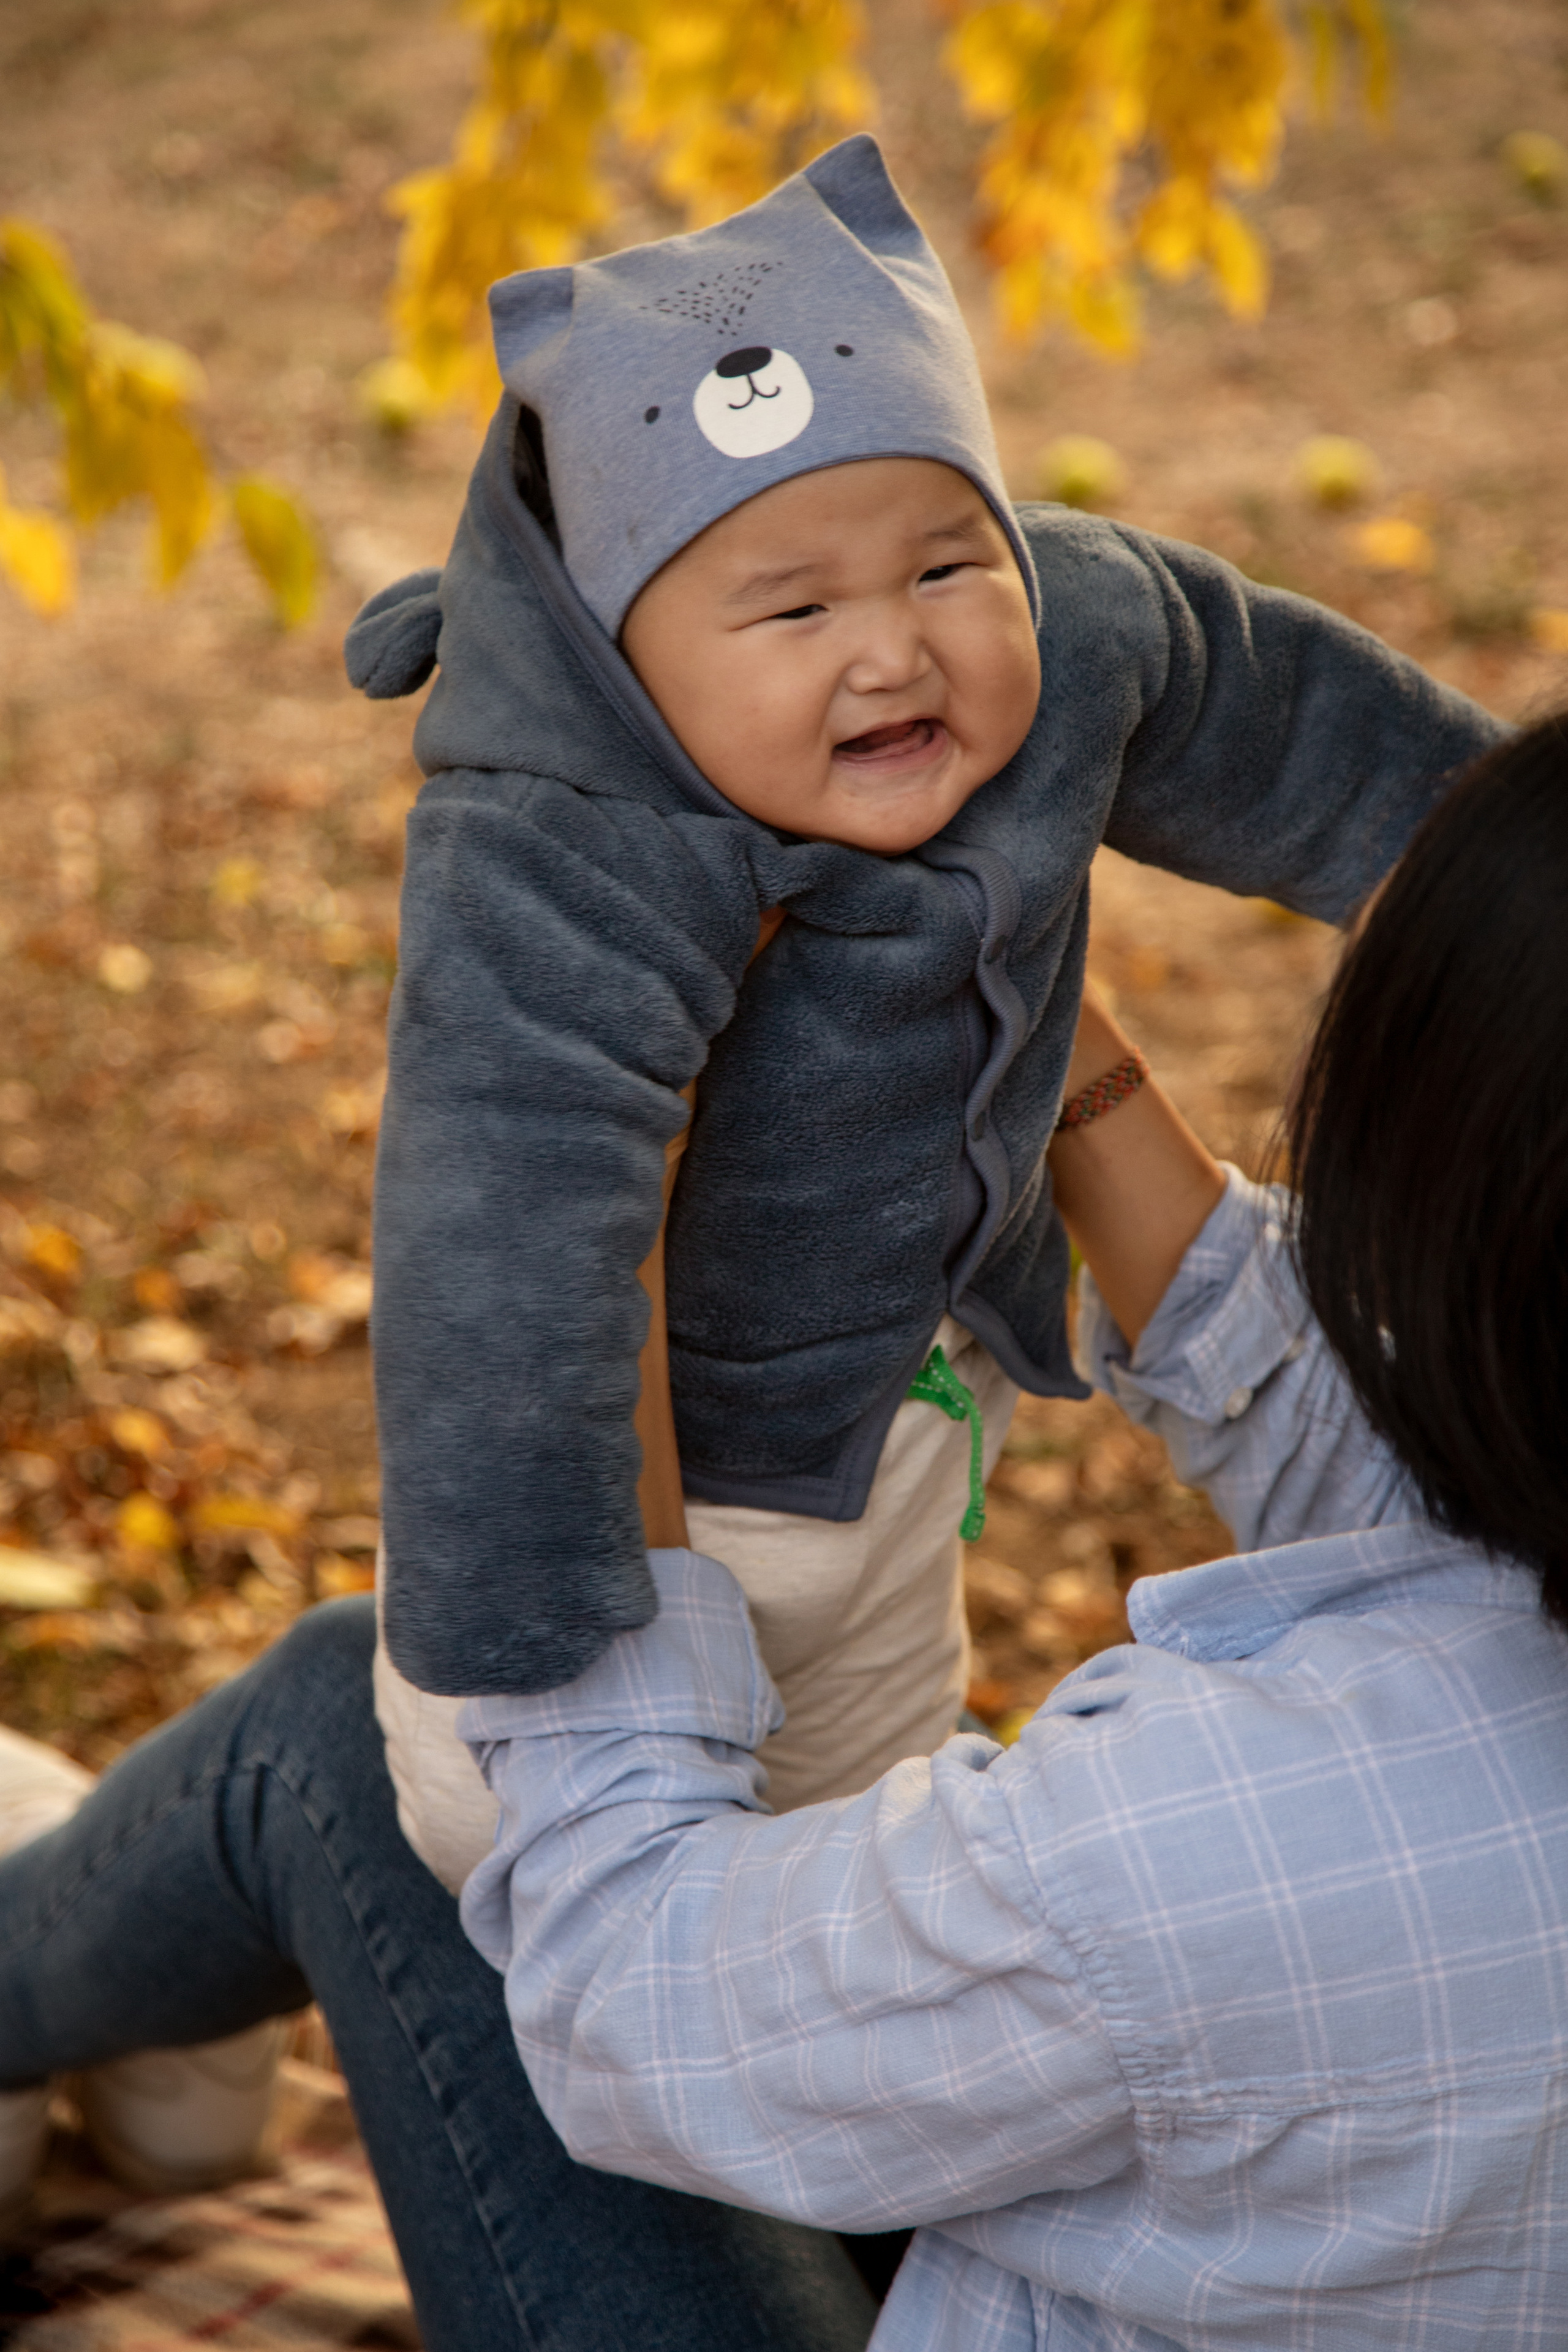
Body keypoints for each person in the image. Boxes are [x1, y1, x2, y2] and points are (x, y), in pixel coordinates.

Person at [2, 712, 1564, 2348]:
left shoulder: (1193, 1852)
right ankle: (147, 2031)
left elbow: (623, 1978)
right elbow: (1359, 1422)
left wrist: (605, 1188)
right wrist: (1025, 994)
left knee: (361, 1739)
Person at [345, 130, 1502, 1891]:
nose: (892, 650)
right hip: (651, 1492)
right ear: (620, 664)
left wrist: (1509, 902)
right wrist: (544, 1612)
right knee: (504, 1848)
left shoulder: (1078, 646)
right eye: (794, 608)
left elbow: (1309, 737)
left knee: (855, 1825)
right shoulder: (567, 851)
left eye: (946, 568)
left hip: (900, 1431)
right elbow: (499, 1235)